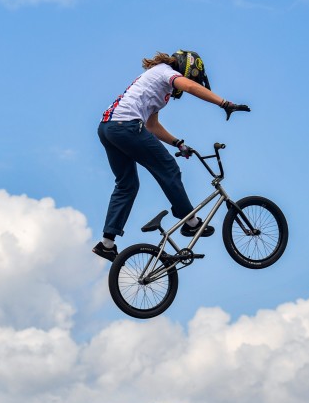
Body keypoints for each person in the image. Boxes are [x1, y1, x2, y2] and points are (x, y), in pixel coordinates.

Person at [93, 50, 250, 261]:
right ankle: (191, 222)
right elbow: (192, 87)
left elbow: (152, 125)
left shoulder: (155, 84)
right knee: (169, 168)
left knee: (126, 185)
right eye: (190, 76)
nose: (188, 82)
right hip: (125, 126)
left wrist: (178, 143)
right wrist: (225, 103)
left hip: (108, 128)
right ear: (186, 67)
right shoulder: (165, 71)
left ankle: (107, 243)